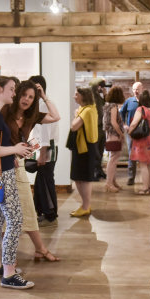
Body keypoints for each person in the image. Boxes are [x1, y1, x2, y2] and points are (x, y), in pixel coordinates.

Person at [0, 76, 35, 289]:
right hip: (2, 175)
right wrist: (15, 149)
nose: (15, 93)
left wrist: (12, 152)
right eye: (12, 89)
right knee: (15, 221)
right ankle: (9, 273)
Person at [2, 80, 61, 262]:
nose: (26, 99)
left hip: (16, 167)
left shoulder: (31, 116)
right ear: (18, 94)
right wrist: (11, 152)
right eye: (24, 95)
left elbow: (56, 116)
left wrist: (44, 97)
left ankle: (38, 249)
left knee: (25, 208)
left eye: (31, 97)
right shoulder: (5, 112)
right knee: (1, 216)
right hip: (2, 166)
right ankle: (1, 258)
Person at [29, 75, 59, 227]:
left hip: (46, 150)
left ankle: (50, 213)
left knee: (45, 182)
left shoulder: (43, 104)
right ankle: (45, 212)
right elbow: (37, 133)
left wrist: (42, 154)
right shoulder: (40, 104)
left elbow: (45, 132)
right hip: (43, 149)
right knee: (42, 181)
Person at [69, 87, 99, 216]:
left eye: (76, 94)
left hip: (85, 148)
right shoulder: (88, 109)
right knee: (78, 178)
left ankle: (86, 206)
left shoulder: (86, 111)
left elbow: (74, 126)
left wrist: (76, 116)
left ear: (83, 96)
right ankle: (85, 205)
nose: (74, 96)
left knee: (84, 178)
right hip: (83, 147)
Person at [127, 90, 150, 195]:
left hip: (143, 140)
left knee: (143, 164)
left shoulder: (141, 109)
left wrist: (129, 132)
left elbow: (134, 123)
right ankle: (149, 187)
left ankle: (145, 188)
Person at [103, 86, 126, 192]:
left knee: (113, 159)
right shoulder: (113, 106)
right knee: (113, 159)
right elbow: (113, 122)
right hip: (114, 135)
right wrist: (121, 134)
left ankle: (113, 182)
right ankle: (109, 183)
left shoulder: (108, 105)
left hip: (110, 134)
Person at [119, 82, 143, 185]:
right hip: (131, 133)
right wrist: (124, 124)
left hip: (143, 133)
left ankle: (145, 179)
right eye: (134, 89)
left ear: (142, 89)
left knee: (144, 155)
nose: (135, 91)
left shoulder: (146, 101)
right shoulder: (129, 101)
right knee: (131, 155)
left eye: (137, 89)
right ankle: (131, 178)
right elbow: (121, 113)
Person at [89, 77, 109, 180]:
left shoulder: (98, 97)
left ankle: (99, 170)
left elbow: (107, 104)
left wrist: (105, 94)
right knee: (95, 151)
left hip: (101, 127)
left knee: (100, 150)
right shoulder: (91, 96)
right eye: (101, 86)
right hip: (94, 127)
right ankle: (94, 172)